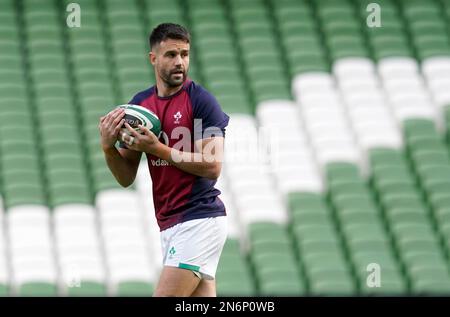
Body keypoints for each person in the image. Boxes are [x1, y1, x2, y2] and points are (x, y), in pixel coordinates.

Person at [98, 23, 229, 297]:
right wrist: (109, 148)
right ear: (153, 58)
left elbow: (213, 164)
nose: (180, 62)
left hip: (198, 219)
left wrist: (157, 148)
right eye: (171, 54)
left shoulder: (202, 101)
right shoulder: (139, 106)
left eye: (185, 54)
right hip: (169, 224)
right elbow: (125, 177)